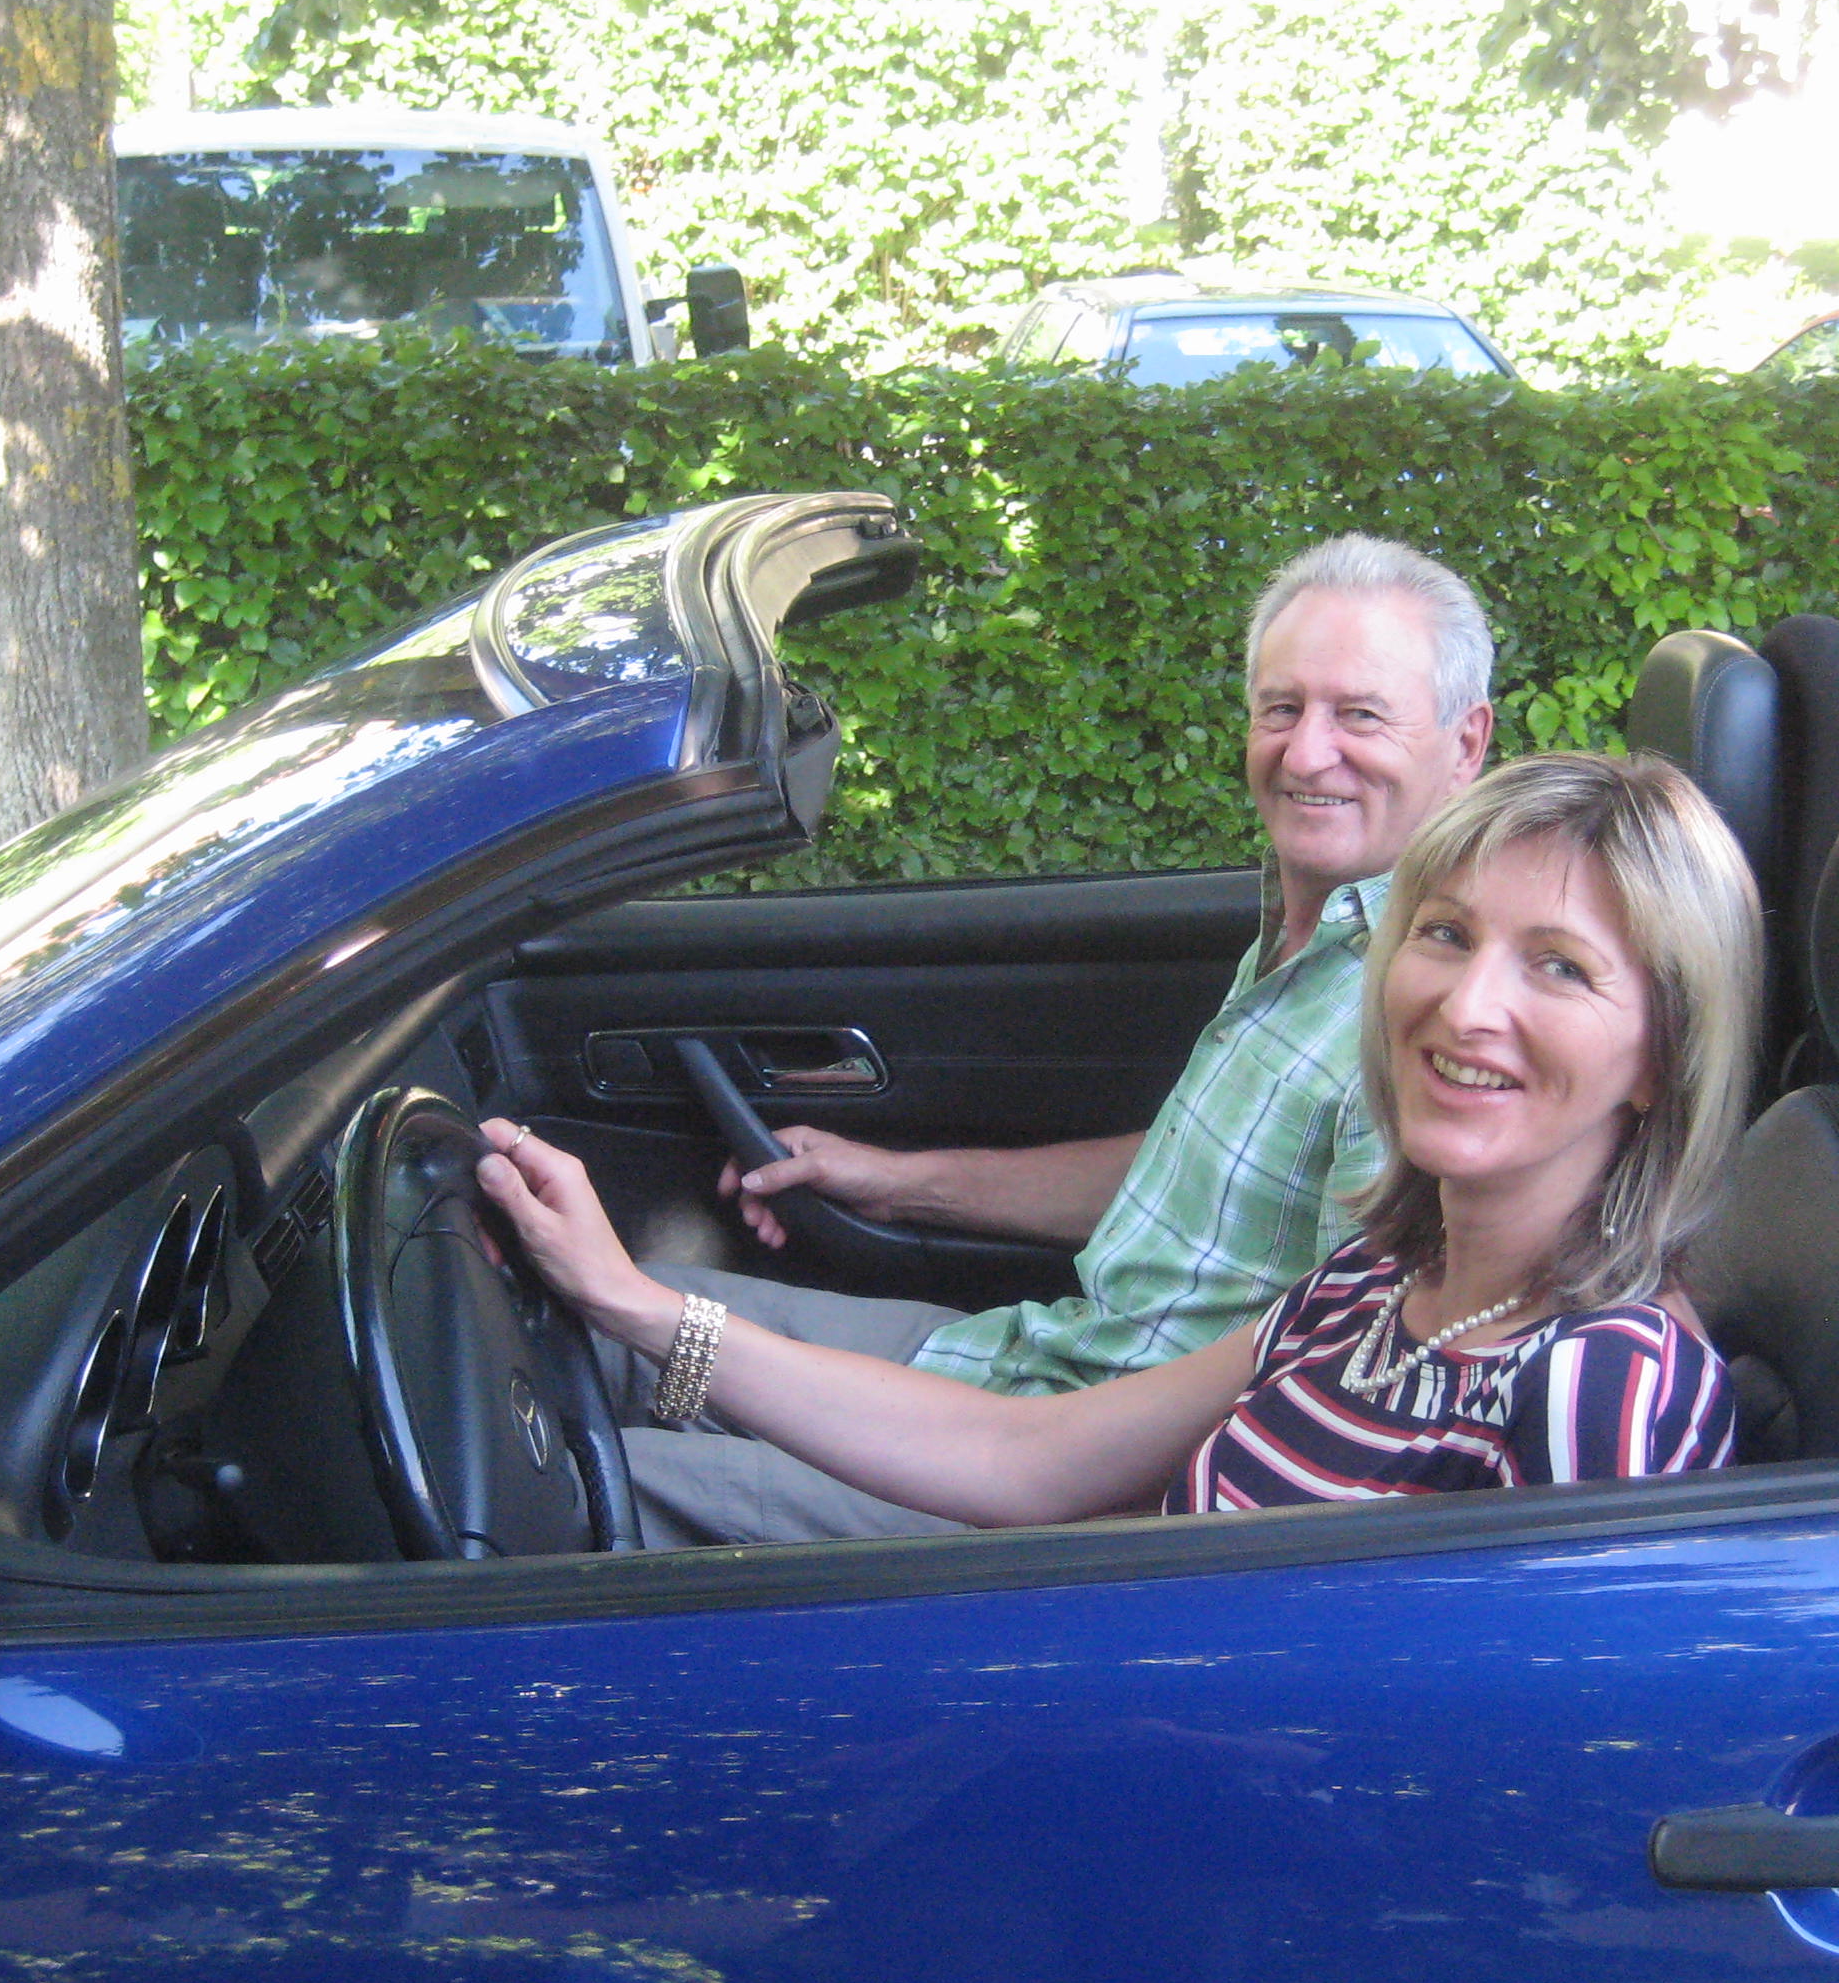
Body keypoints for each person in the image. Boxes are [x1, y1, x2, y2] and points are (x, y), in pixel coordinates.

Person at [482, 749, 1760, 1524]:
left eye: (1560, 968)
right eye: (1444, 934)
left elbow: (1545, 1788)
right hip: (1075, 1667)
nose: (1467, 1004)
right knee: (579, 1422)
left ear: (1664, 1057)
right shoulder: (1376, 1284)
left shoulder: (1601, 1386)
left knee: (573, 1500)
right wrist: (637, 1305)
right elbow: (1022, 1456)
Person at [608, 533, 1498, 1543]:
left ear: (1465, 743)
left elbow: (1332, 1392)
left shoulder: (1426, 1015)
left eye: (1361, 715)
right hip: (1029, 1365)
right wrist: (896, 1181)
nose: (1305, 753)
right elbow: (1191, 1182)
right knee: (611, 1324)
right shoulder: (1310, 928)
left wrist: (1058, 1518)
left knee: (601, 1489)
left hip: (1067, 1495)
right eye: (1281, 709)